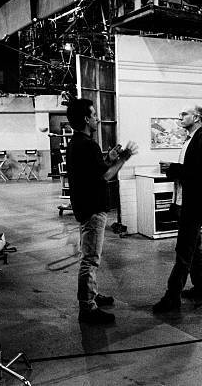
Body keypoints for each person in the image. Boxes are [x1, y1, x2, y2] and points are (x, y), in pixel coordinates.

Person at [67, 98, 138, 324]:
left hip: (85, 207)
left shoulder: (77, 143)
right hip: (92, 208)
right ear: (87, 119)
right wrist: (125, 158)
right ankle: (87, 307)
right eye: (94, 115)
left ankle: (92, 294)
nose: (97, 118)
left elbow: (96, 168)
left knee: (89, 255)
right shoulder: (87, 145)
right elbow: (106, 175)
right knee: (90, 259)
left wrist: (109, 158)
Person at [153, 105, 202, 313]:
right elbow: (190, 171)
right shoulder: (190, 140)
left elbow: (200, 174)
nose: (180, 117)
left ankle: (172, 297)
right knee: (194, 249)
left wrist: (171, 168)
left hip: (194, 206)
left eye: (184, 114)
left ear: (197, 117)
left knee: (183, 252)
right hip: (185, 202)